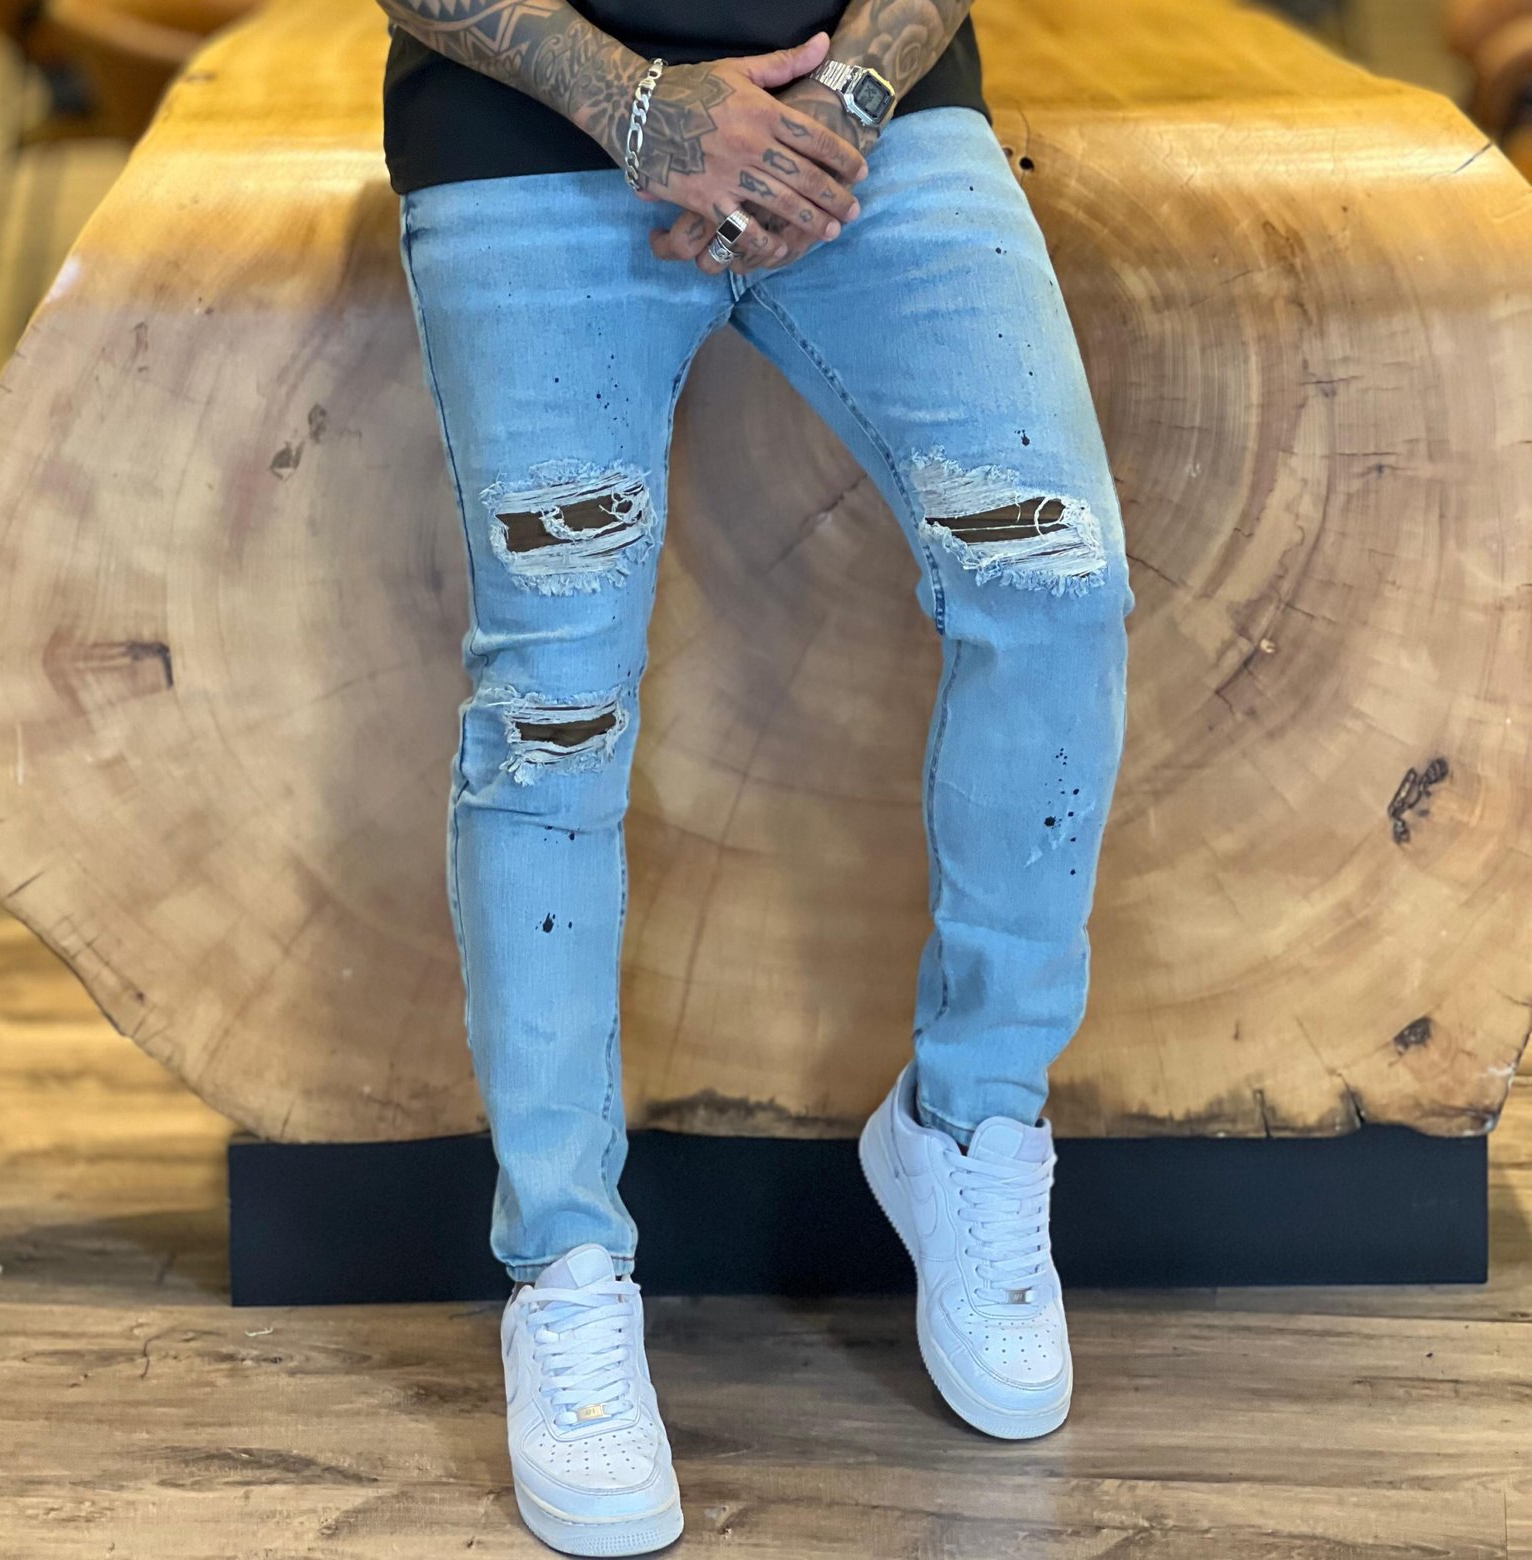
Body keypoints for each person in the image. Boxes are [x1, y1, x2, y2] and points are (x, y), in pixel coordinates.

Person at [380, 1, 1134, 1552]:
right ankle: (564, 1268)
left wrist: (841, 102)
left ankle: (971, 1122)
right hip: (526, 135)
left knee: (1055, 579)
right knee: (553, 707)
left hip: (878, 124)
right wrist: (638, 103)